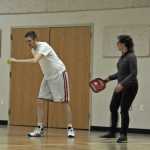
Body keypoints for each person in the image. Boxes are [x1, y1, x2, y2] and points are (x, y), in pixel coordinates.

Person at [10, 31, 75, 138]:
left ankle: (70, 128)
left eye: (30, 41)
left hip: (59, 74)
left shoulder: (44, 46)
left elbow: (35, 60)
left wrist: (16, 60)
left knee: (64, 102)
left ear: (36, 39)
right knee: (39, 101)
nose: (28, 44)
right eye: (26, 42)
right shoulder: (33, 50)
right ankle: (40, 128)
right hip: (47, 77)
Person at [101, 35, 138, 143]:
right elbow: (121, 73)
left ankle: (123, 135)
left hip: (130, 86)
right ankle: (112, 132)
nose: (117, 44)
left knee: (124, 110)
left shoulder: (131, 56)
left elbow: (133, 74)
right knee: (113, 107)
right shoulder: (123, 57)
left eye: (118, 43)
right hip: (121, 86)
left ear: (123, 44)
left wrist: (122, 84)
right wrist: (109, 78)